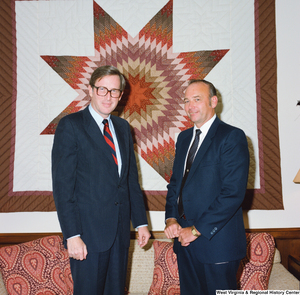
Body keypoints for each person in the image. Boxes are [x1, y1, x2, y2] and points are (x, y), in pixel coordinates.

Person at [52, 65, 151, 295]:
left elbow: (129, 181)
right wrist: (72, 235)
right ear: (90, 90)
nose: (109, 97)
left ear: (120, 95)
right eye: (103, 90)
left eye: (115, 91)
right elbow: (62, 187)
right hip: (87, 237)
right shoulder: (71, 125)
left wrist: (141, 222)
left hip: (119, 233)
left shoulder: (123, 128)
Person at [164, 79, 249, 294]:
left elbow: (232, 194)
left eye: (197, 99)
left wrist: (195, 230)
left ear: (213, 101)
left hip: (218, 244)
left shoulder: (232, 136)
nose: (190, 105)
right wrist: (171, 218)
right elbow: (176, 184)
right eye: (186, 100)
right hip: (185, 244)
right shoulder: (183, 138)